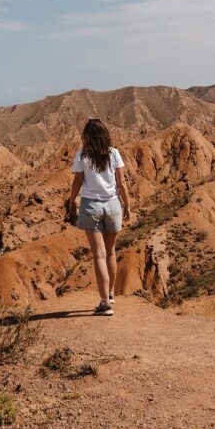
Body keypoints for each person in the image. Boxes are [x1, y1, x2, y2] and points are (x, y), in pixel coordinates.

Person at [68, 118, 131, 316]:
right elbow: (122, 183)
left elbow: (77, 183)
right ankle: (110, 294)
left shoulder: (82, 155)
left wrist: (71, 202)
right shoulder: (114, 154)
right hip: (113, 206)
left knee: (99, 255)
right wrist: (127, 205)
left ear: (87, 136)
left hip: (91, 206)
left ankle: (104, 304)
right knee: (111, 252)